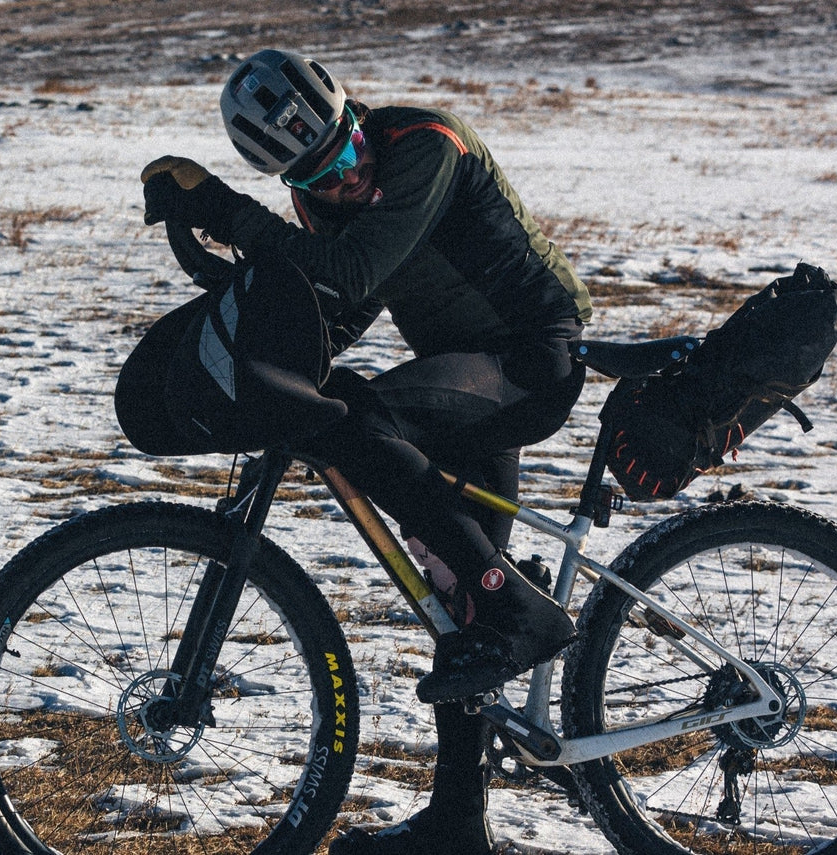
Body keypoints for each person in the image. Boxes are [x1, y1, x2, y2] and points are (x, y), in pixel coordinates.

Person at [139, 49, 593, 854]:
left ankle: (520, 607)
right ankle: (458, 823)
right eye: (317, 180)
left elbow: (354, 268)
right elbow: (341, 308)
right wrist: (255, 318)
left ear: (355, 116)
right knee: (457, 595)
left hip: (529, 358)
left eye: (347, 152)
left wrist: (230, 211)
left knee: (363, 414)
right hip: (463, 373)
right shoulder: (322, 206)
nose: (344, 181)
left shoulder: (426, 142)